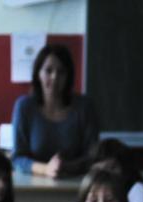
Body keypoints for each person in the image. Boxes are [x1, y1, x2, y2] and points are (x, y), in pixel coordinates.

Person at [11, 43, 99, 177]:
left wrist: (66, 167)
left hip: (77, 185)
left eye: (61, 72)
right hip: (34, 186)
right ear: (38, 74)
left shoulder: (85, 107)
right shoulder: (24, 107)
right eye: (48, 70)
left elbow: (93, 155)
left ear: (69, 76)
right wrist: (46, 169)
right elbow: (18, 158)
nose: (55, 77)